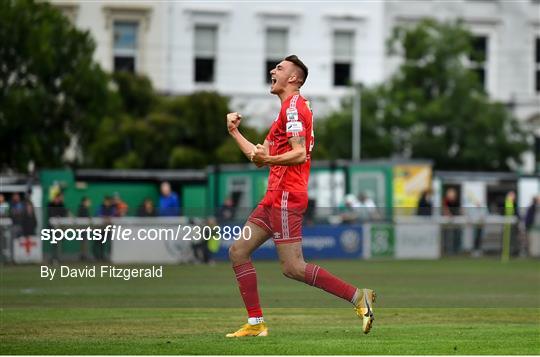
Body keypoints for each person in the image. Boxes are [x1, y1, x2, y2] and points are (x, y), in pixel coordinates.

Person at [224, 55, 375, 338]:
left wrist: (267, 159)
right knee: (238, 251)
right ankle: (256, 323)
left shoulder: (294, 107)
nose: (272, 70)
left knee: (293, 267)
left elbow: (299, 153)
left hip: (286, 197)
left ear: (294, 78)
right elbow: (259, 157)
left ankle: (359, 297)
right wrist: (234, 131)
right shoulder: (284, 113)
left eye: (279, 68)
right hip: (273, 197)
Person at [77, 197, 92, 261]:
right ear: (84, 202)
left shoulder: (83, 208)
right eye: (88, 202)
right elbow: (84, 218)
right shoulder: (82, 208)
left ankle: (84, 255)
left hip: (83, 228)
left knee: (84, 242)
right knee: (84, 242)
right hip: (83, 227)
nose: (89, 203)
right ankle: (84, 255)